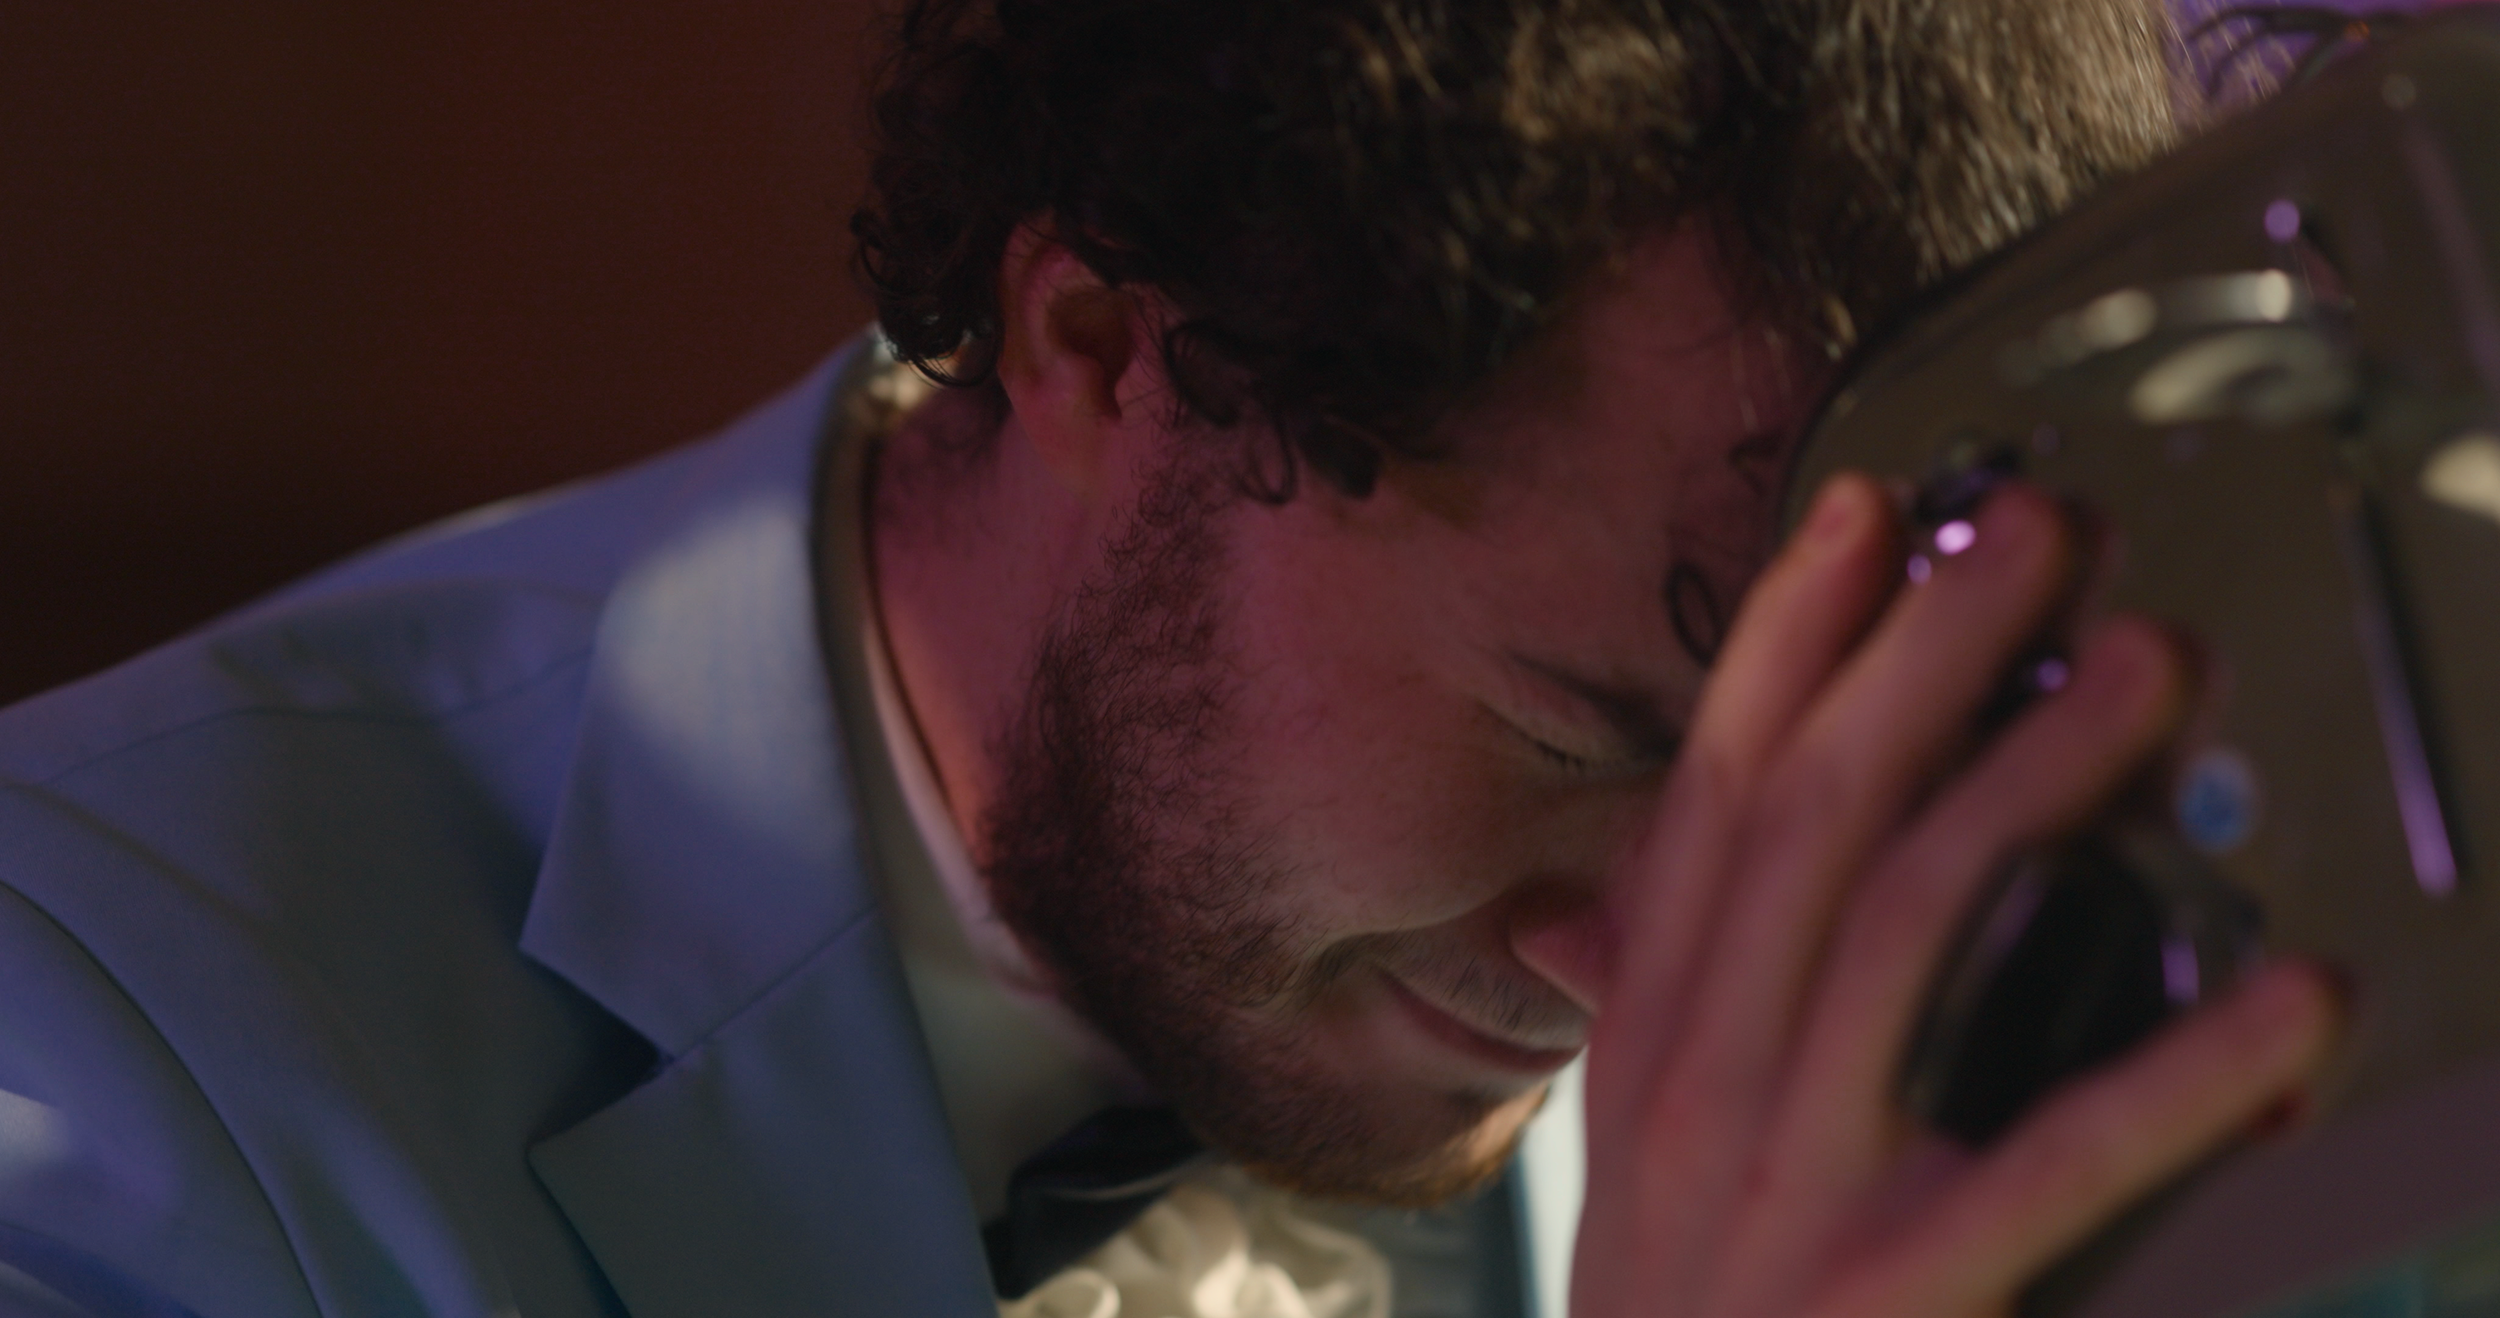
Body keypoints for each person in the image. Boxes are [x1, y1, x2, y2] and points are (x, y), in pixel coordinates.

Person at [0, 0, 2339, 1315]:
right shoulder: (94, 1053)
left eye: (1794, 765)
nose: (1663, 972)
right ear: (1103, 348)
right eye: (1568, 730)